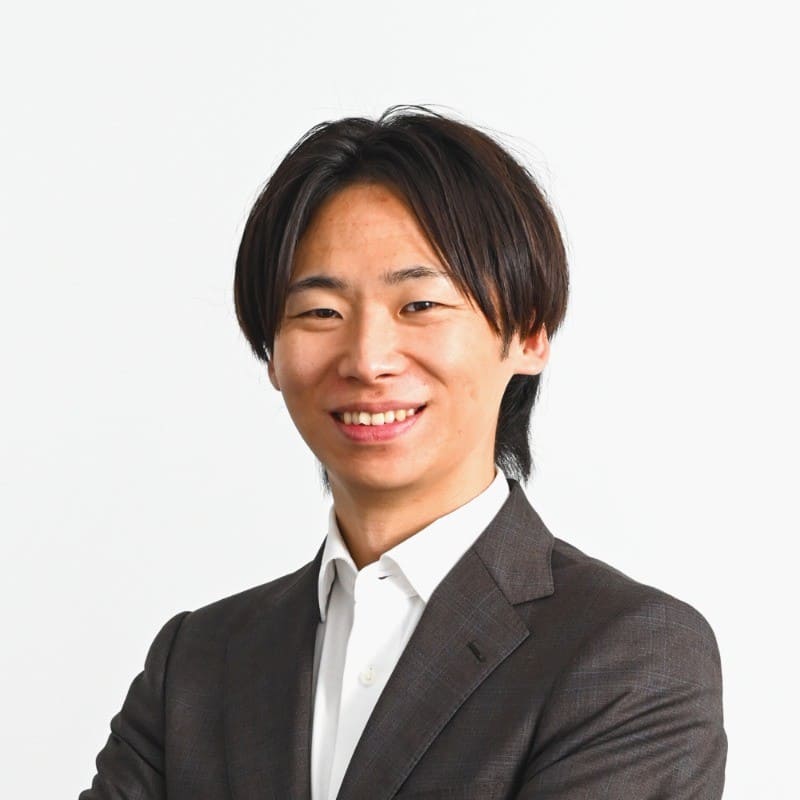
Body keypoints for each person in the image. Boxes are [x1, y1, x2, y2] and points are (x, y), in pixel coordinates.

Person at [80, 107, 727, 799]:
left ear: (530, 332)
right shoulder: (196, 663)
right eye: (320, 312)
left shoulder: (629, 653)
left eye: (419, 305)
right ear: (272, 354)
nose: (367, 359)